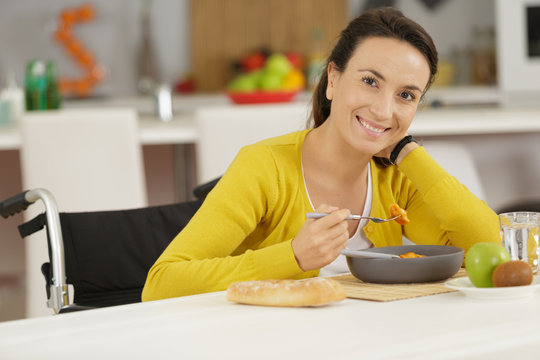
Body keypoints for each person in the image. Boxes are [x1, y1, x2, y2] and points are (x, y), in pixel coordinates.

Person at [142, 7, 500, 301]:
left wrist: (407, 150)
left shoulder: (398, 178)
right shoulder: (263, 167)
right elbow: (161, 284)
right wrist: (293, 256)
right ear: (332, 79)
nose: (382, 110)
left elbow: (486, 249)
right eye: (370, 81)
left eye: (406, 96)